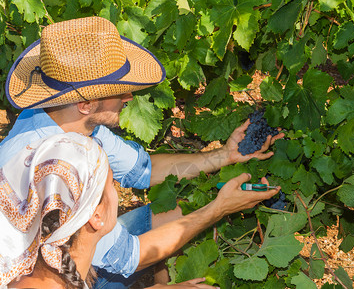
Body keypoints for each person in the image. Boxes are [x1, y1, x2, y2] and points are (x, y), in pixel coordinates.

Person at [0, 16, 282, 287]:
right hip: (52, 279)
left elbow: (142, 171)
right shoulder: (56, 169)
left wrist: (223, 156)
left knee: (179, 211)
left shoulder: (67, 120)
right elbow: (129, 257)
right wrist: (219, 208)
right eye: (119, 91)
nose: (129, 97)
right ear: (86, 104)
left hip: (63, 262)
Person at [0, 132, 237, 288]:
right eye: (112, 184)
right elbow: (130, 256)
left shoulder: (28, 269)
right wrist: (219, 208)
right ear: (96, 216)